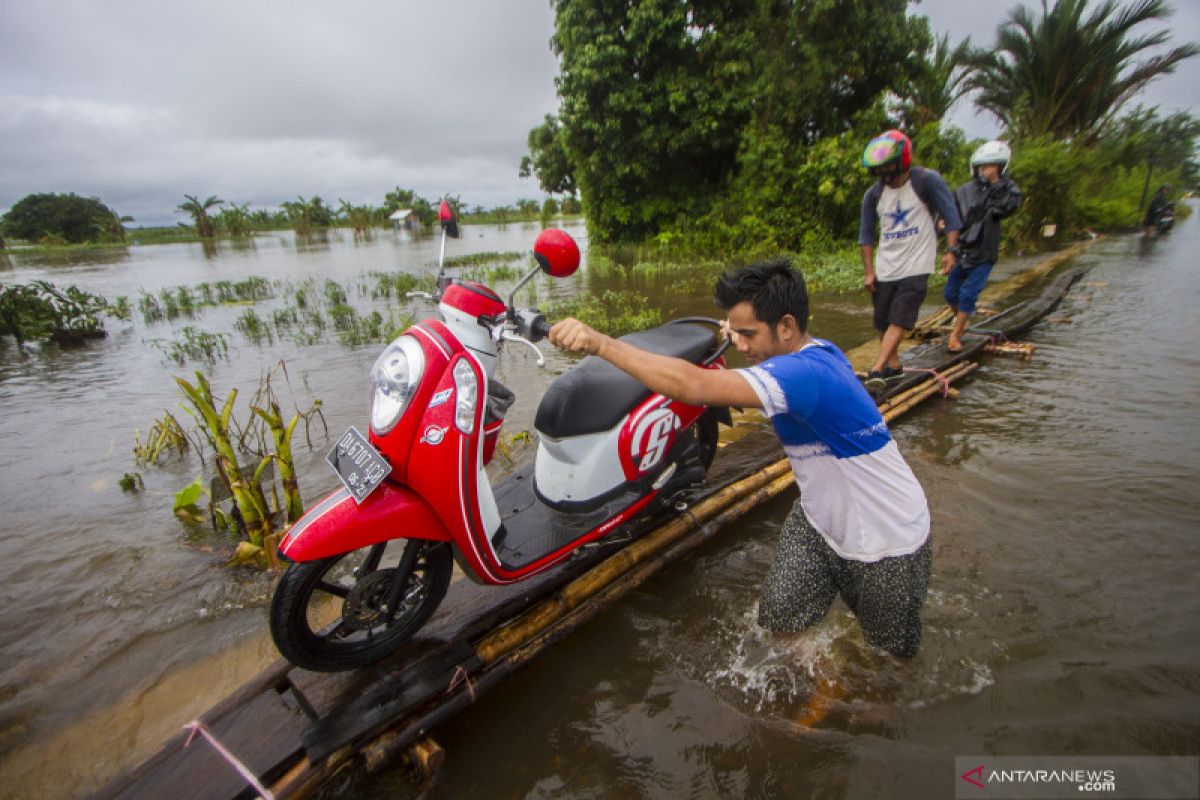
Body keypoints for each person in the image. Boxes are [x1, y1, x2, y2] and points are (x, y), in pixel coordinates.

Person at [549, 259, 932, 658]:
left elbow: (694, 386)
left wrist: (600, 343)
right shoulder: (818, 352)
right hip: (821, 520)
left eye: (748, 334)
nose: (740, 344)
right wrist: (739, 328)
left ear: (786, 326)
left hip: (890, 541)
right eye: (736, 331)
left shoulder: (801, 376)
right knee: (780, 624)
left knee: (886, 665)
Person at [858, 130, 962, 389]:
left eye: (888, 165)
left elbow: (951, 215)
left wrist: (951, 251)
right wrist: (869, 271)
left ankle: (877, 368)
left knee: (899, 317)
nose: (883, 171)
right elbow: (866, 235)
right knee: (881, 320)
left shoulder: (926, 181)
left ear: (901, 161)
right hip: (886, 265)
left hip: (917, 263)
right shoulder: (873, 195)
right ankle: (893, 366)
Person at [943, 140, 1022, 352]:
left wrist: (996, 184)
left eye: (991, 166)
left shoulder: (1007, 189)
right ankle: (962, 319)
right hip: (962, 250)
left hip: (984, 252)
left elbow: (1008, 206)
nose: (986, 170)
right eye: (984, 166)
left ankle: (956, 334)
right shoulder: (965, 191)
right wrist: (949, 248)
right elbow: (951, 215)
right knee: (951, 293)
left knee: (969, 293)